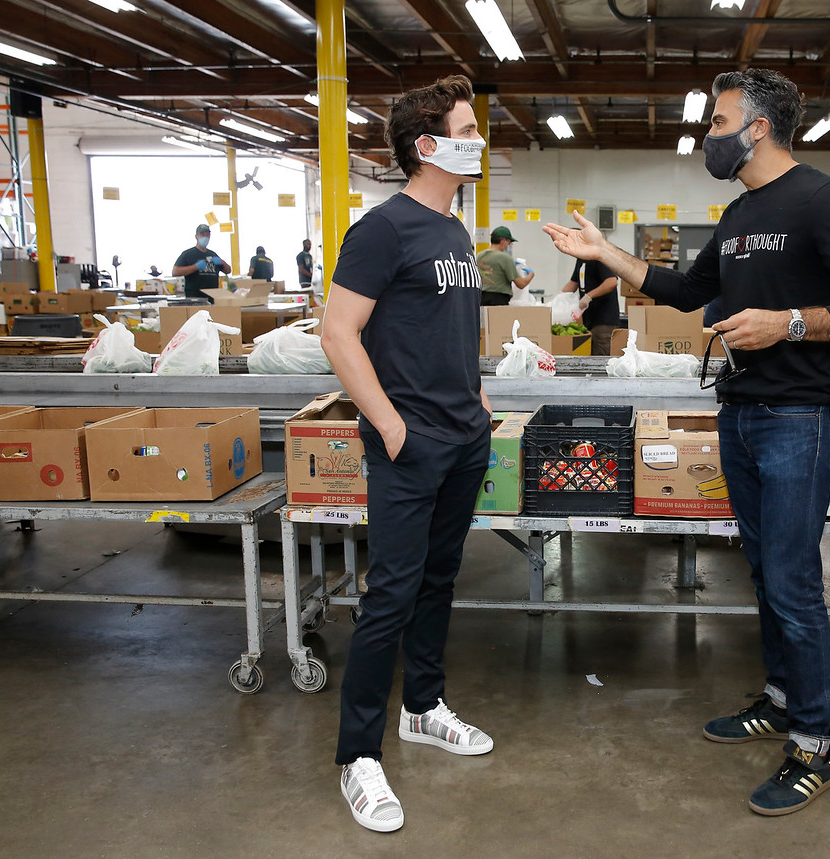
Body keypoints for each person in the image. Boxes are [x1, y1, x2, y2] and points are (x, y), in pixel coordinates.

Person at [544, 68, 830, 817]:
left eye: (717, 121)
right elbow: (680, 288)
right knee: (766, 571)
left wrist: (789, 323)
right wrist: (607, 255)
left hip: (799, 417)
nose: (708, 134)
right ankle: (779, 697)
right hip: (739, 412)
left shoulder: (824, 199)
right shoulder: (739, 213)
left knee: (795, 582)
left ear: (759, 127)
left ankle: (814, 743)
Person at [320, 74, 494, 834]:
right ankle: (358, 755)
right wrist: (390, 425)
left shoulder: (455, 230)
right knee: (390, 592)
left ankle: (422, 708)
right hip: (411, 442)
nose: (479, 138)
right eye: (466, 127)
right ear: (427, 146)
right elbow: (337, 331)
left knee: (438, 580)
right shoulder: (383, 228)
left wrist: (480, 393)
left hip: (463, 438)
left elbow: (455, 328)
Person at [561, 257, 618, 354]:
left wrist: (589, 296)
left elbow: (612, 282)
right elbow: (574, 282)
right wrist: (560, 297)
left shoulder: (599, 257)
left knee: (600, 357)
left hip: (603, 320)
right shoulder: (581, 259)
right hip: (587, 319)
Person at [171, 224, 231, 302]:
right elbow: (175, 272)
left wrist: (222, 262)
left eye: (207, 234)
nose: (205, 236)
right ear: (196, 236)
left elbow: (228, 271)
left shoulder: (213, 254)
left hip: (212, 298)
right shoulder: (188, 254)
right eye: (202, 234)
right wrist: (195, 267)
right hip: (194, 297)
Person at [475, 226, 534, 306]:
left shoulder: (479, 256)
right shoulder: (505, 258)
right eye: (509, 242)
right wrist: (531, 274)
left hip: (480, 299)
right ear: (503, 241)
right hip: (498, 300)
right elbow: (521, 284)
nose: (509, 245)